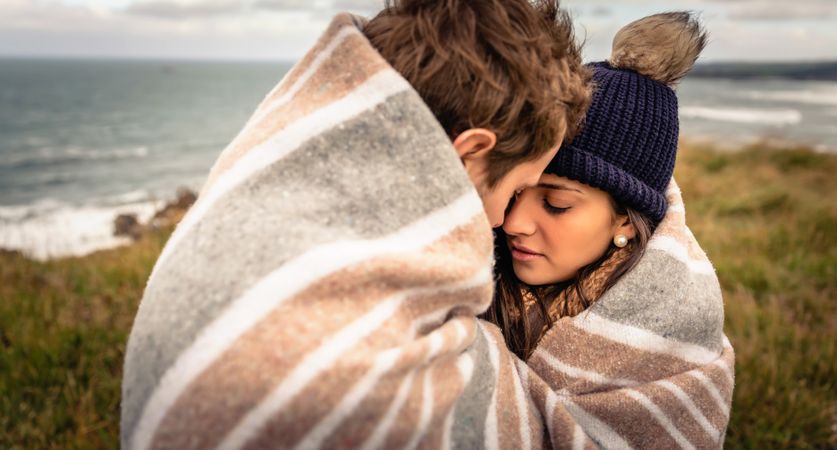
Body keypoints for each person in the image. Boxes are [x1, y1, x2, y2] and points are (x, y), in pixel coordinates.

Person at [121, 1, 592, 449]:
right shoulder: (331, 364)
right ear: (467, 155)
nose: (500, 221)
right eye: (511, 193)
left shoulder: (264, 191)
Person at [483, 12, 736, 449]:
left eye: (556, 203)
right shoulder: (469, 270)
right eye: (516, 190)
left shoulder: (674, 334)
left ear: (625, 217)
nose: (512, 223)